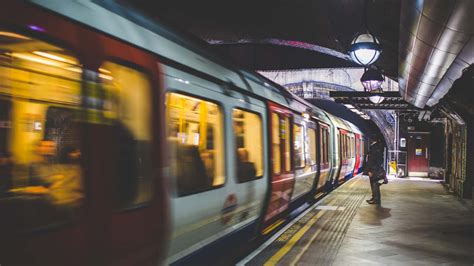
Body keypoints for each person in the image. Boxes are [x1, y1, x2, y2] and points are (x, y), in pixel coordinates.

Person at [364, 135, 388, 205]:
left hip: (373, 169)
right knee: (375, 184)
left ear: (372, 140)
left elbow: (372, 160)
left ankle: (376, 199)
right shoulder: (378, 147)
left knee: (374, 184)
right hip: (375, 168)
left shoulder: (374, 148)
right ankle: (374, 197)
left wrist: (370, 170)